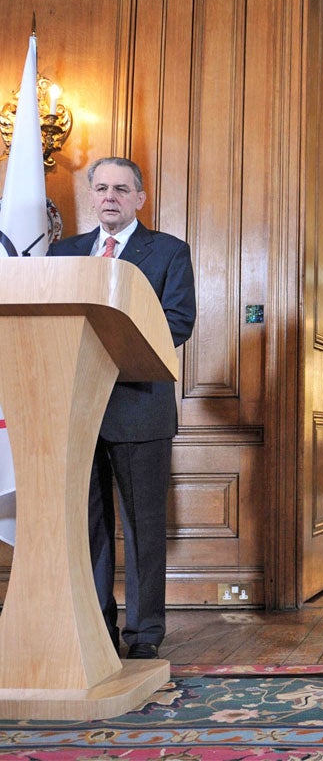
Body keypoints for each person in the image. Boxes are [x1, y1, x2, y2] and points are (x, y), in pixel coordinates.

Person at [48, 157, 196, 659]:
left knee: (142, 527)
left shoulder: (169, 252)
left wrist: (112, 351)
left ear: (140, 198)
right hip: (76, 408)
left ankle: (144, 633)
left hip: (139, 407)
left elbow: (178, 322)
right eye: (102, 188)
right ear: (92, 195)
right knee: (88, 526)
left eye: (122, 189)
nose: (110, 196)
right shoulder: (62, 252)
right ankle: (97, 629)